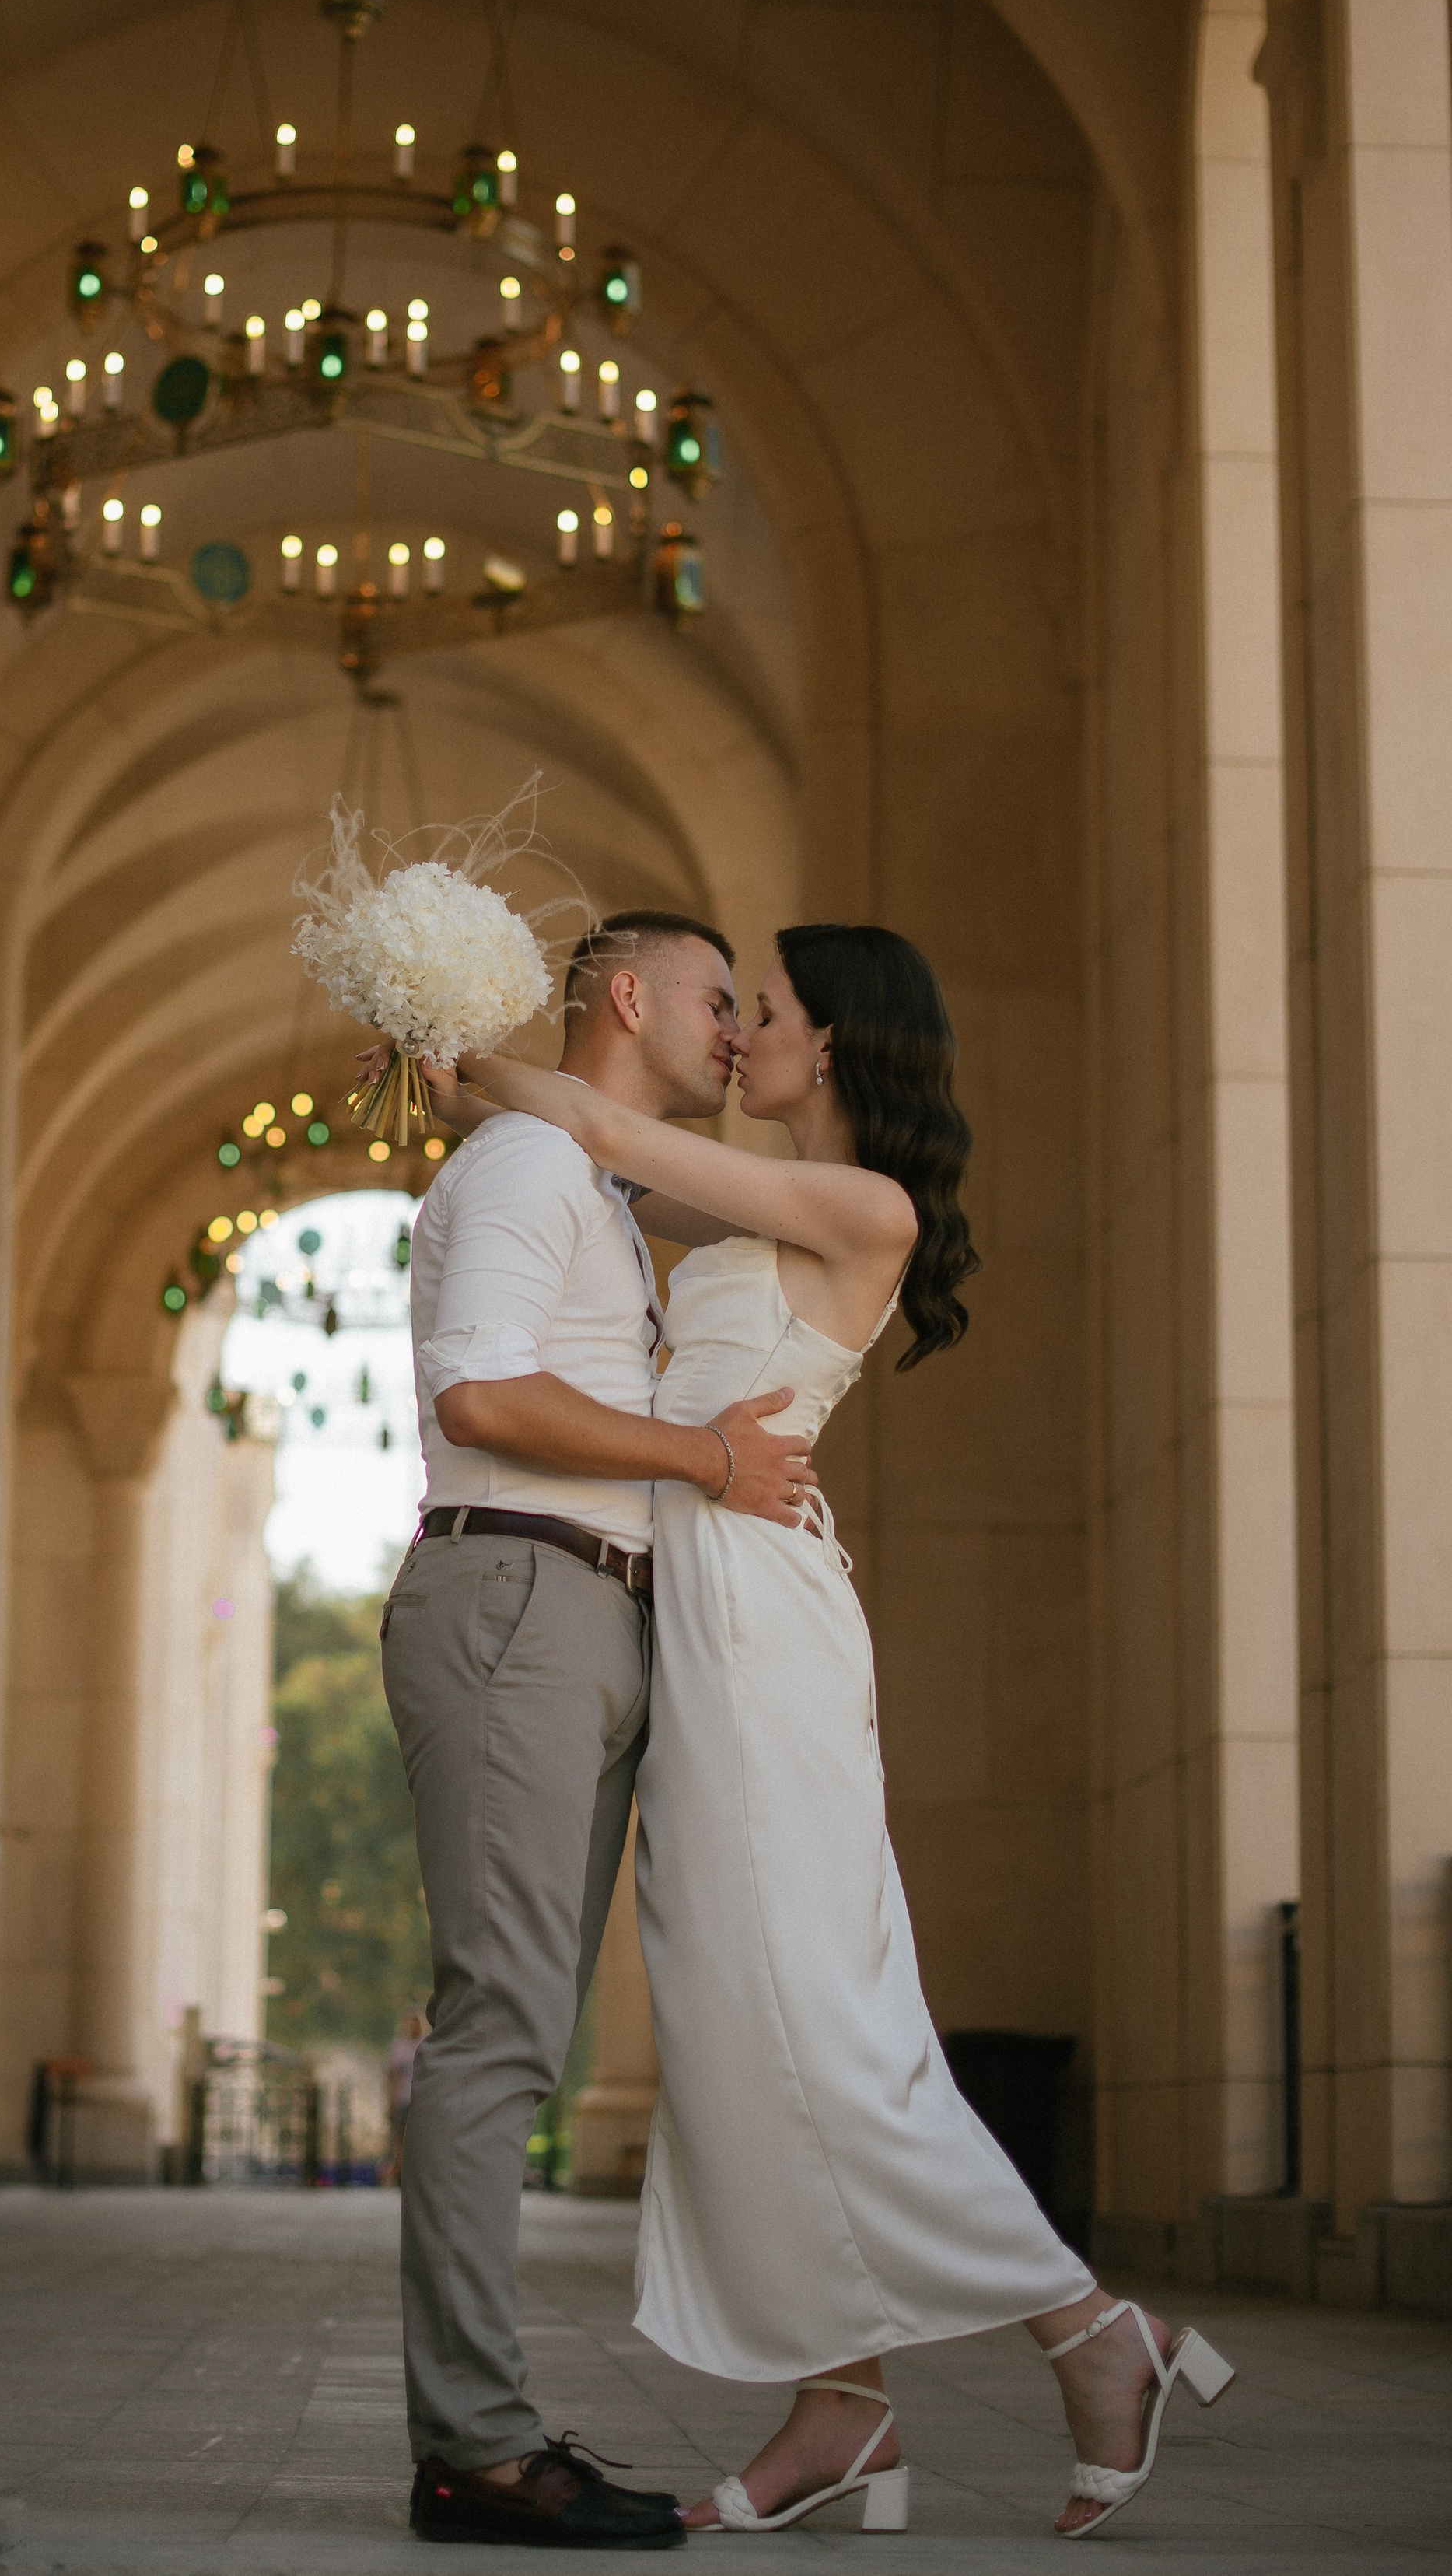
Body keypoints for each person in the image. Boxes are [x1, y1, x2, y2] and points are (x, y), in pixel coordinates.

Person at [446, 920, 1237, 2543]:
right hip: (714, 1604)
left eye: (771, 1010)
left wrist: (444, 1034)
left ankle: (1091, 2335)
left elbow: (588, 1129)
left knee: (826, 2023)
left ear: (845, 1039)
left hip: (760, 1626)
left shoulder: (858, 1204)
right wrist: (433, 1071)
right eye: (730, 1007)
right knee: (751, 2014)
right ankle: (844, 2404)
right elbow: (584, 1163)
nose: (739, 1034)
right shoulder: (746, 1197)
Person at [380, 910, 820, 2553]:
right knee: (495, 2028)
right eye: (715, 1000)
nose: (729, 1031)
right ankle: (476, 2450)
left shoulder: (577, 1176)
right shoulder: (521, 1173)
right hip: (513, 1603)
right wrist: (705, 1458)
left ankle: (477, 2429)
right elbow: (478, 1395)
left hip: (580, 1618)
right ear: (628, 997)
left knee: (515, 2032)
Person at [382, 2009, 429, 2183]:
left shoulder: (425, 2044)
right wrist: (390, 2101)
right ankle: (399, 2170)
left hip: (421, 2100)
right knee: (400, 2137)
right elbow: (391, 2077)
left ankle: (417, 2171)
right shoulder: (398, 2048)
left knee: (419, 2137)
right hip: (402, 2099)